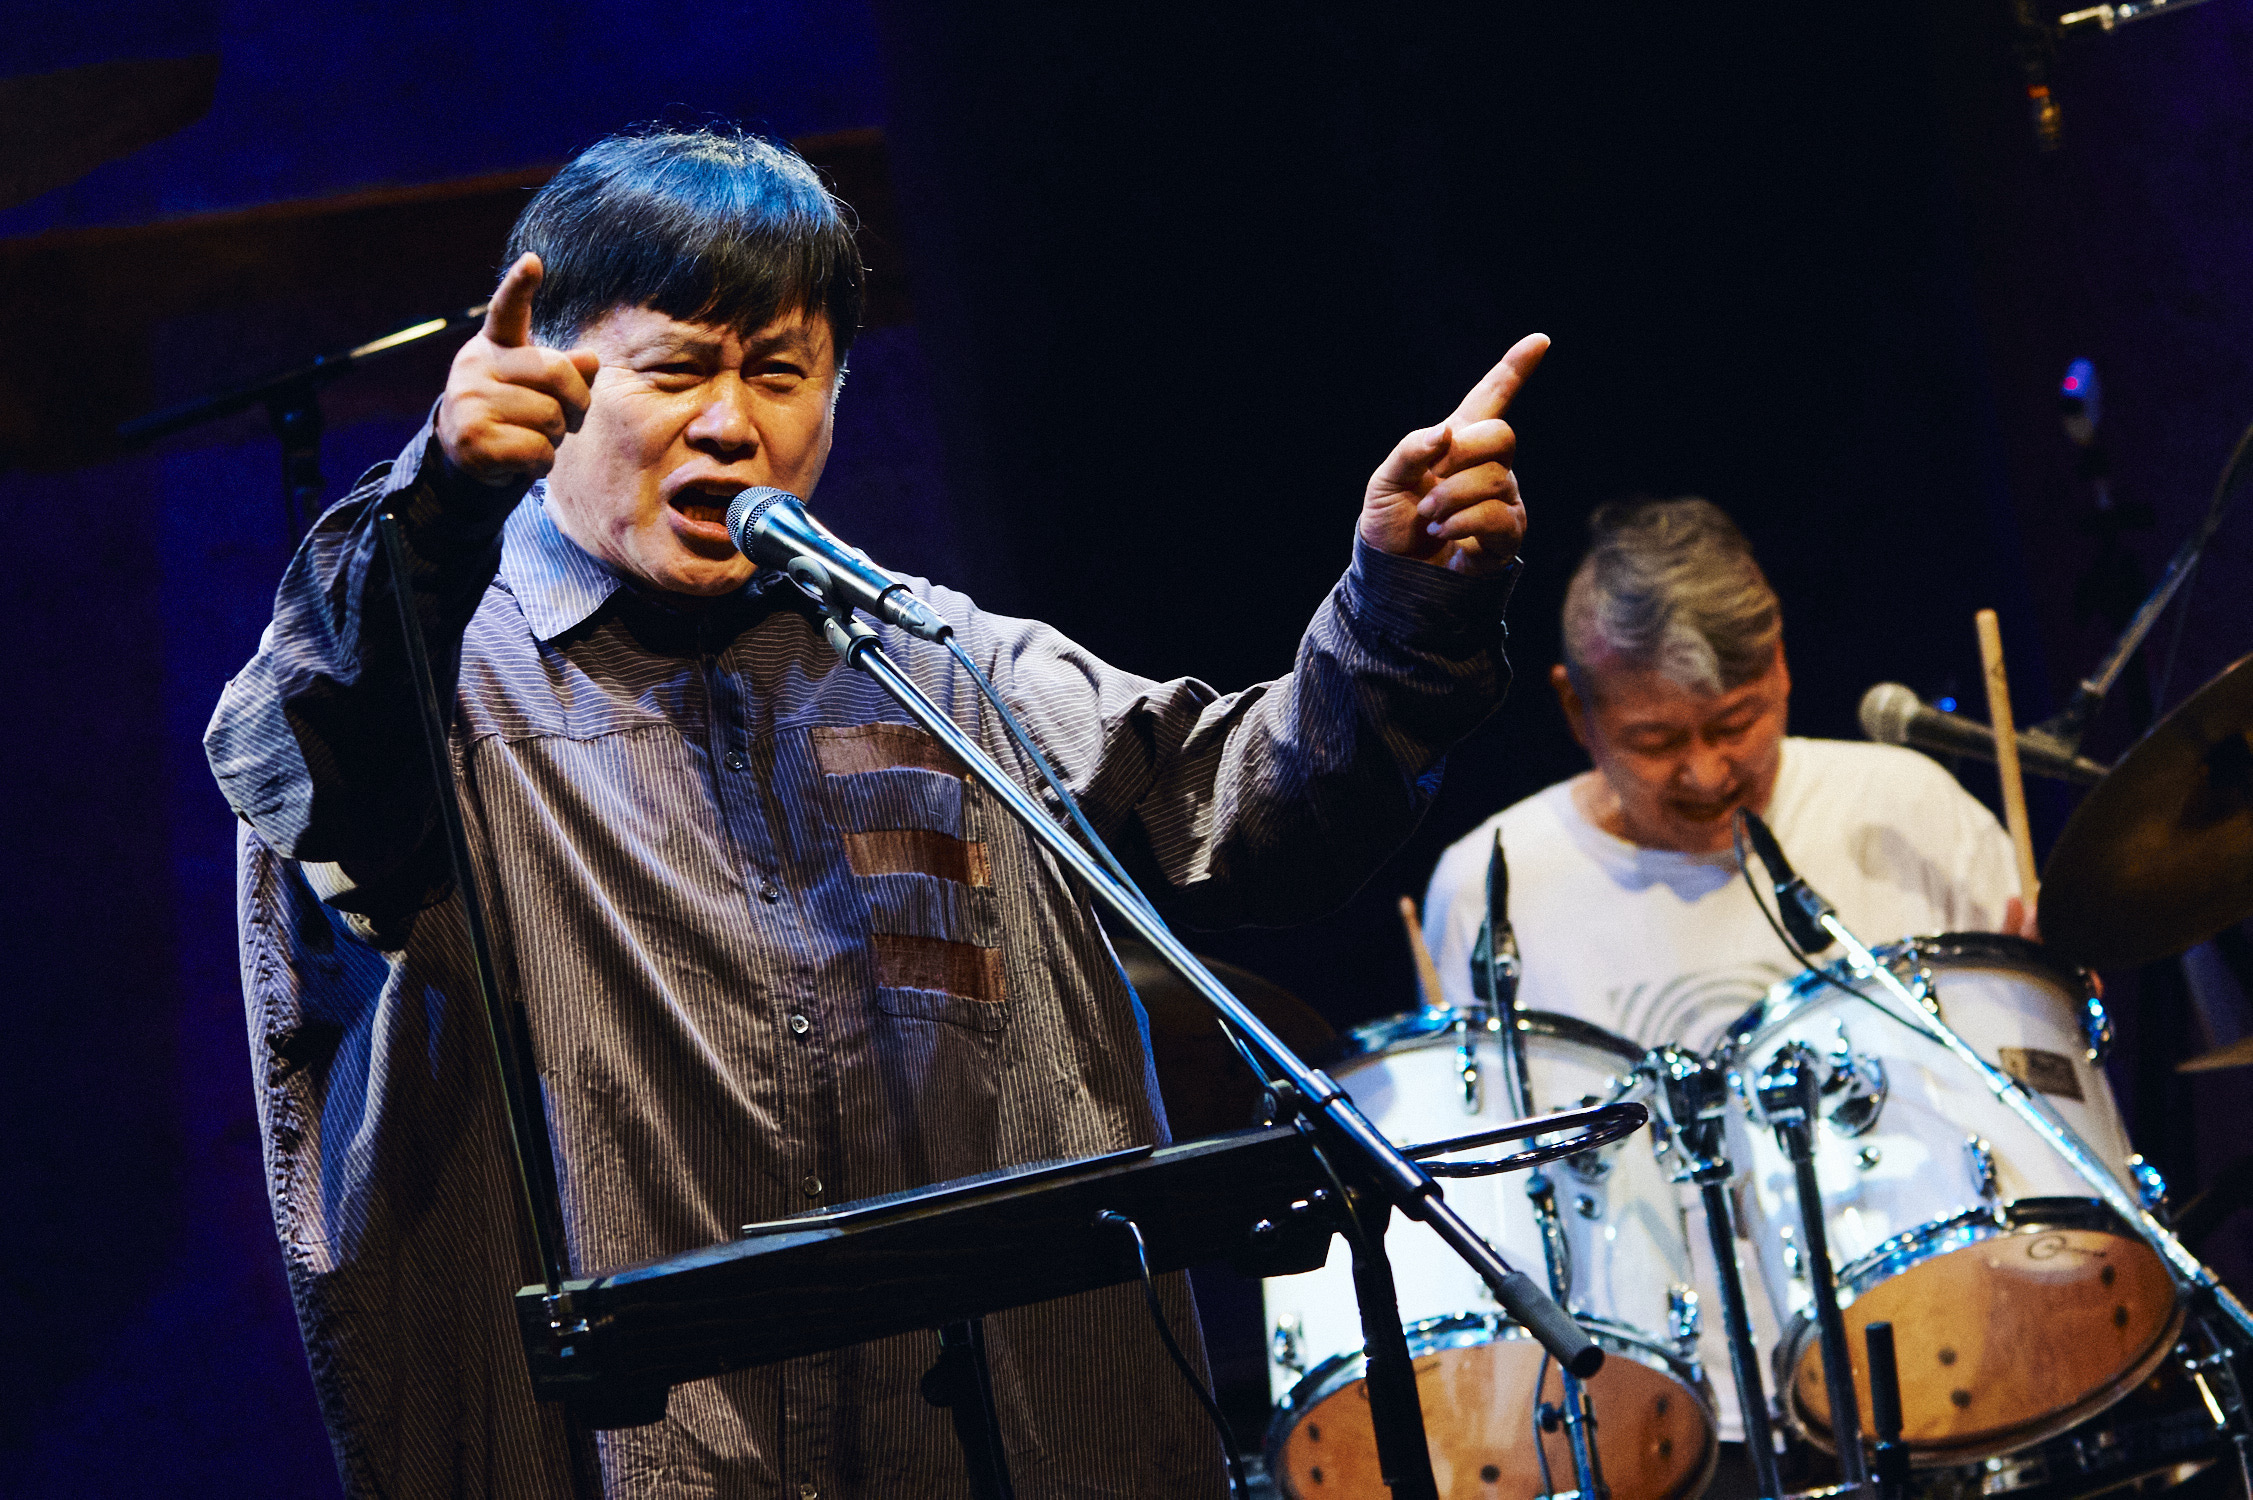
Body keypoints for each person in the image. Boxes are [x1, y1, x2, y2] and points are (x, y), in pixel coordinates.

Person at [206, 125, 1549, 1499]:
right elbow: (305, 749)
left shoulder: (931, 660)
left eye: (778, 372)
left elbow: (1253, 804)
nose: (732, 421)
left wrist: (1400, 605)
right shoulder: (437, 682)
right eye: (675, 366)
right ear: (553, 381)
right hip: (647, 1456)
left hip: (1004, 1447)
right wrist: (435, 506)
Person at [1420, 495, 2027, 1483]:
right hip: (1668, 1413)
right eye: (1657, 740)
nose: (1706, 770)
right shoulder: (1493, 882)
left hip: (1950, 1352)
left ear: (1781, 668)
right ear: (1577, 708)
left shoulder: (1906, 811)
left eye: (1735, 725)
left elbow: (2025, 1093)